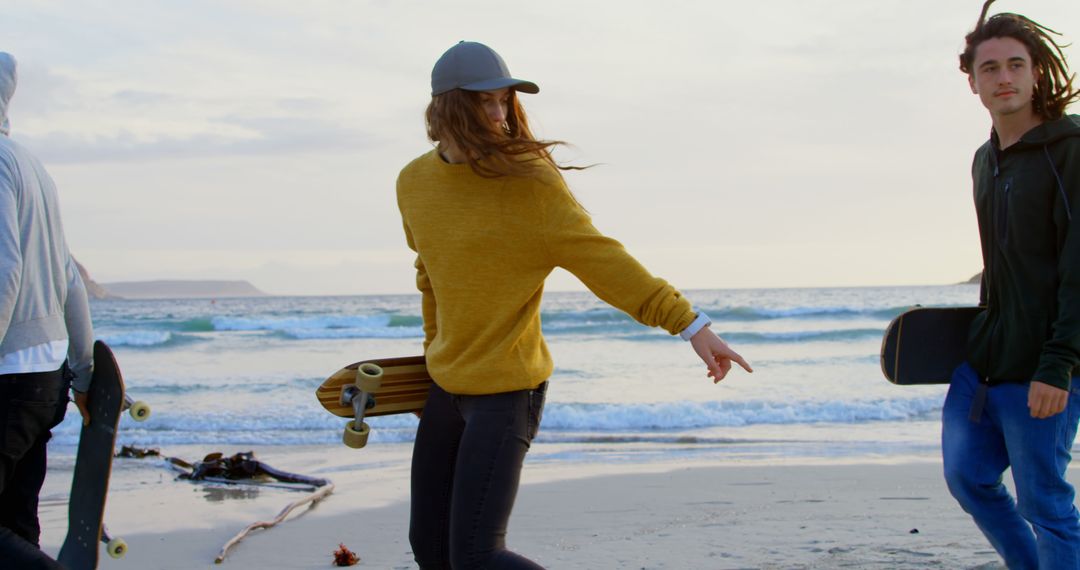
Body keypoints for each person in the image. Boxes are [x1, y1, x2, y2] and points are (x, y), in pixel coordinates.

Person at [396, 40, 753, 569]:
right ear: (447, 108)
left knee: (475, 556)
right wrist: (433, 352)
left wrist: (691, 324)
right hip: (448, 386)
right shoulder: (413, 182)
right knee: (430, 547)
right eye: (484, 103)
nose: (498, 116)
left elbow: (602, 260)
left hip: (507, 390)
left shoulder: (530, 182)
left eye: (504, 102)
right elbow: (430, 274)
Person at [944, 2, 1080, 568]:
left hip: (1044, 368)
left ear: (1036, 72)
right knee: (968, 478)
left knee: (1044, 502)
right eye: (990, 68)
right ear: (972, 81)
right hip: (986, 361)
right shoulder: (983, 159)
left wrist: (1059, 365)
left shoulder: (1069, 150)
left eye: (1015, 65)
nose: (1004, 77)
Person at [0, 52, 95, 569]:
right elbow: (68, 279)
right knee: (15, 525)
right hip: (42, 380)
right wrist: (83, 373)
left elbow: (5, 269)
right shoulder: (33, 166)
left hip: (6, 375)